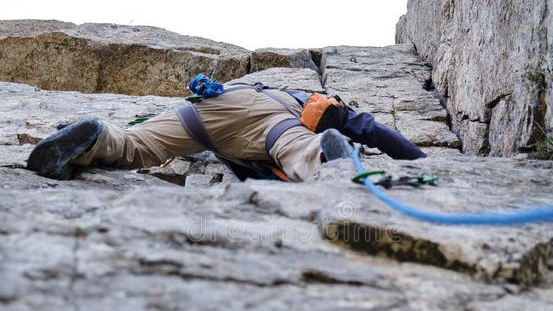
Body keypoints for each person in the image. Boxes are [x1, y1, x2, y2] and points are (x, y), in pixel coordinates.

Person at [26, 79, 426, 182]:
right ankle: (326, 156)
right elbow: (372, 129)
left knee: (135, 146)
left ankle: (95, 134)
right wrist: (422, 162)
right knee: (298, 149)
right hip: (275, 122)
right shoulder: (311, 100)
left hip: (206, 110)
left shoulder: (254, 84)